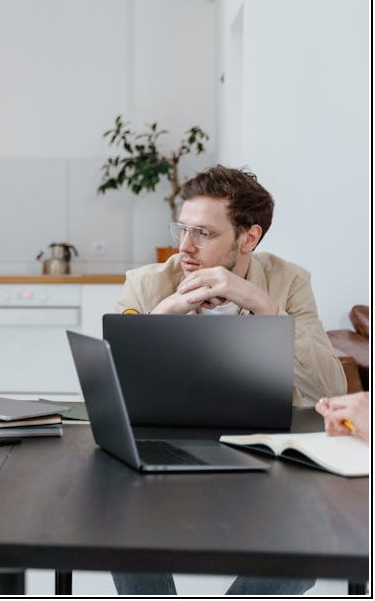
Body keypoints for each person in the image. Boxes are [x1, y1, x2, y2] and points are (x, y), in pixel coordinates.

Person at [112, 165, 347, 596]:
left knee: (303, 550)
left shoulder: (288, 282)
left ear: (249, 239)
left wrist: (263, 307)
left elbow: (327, 390)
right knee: (122, 533)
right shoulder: (147, 284)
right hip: (164, 449)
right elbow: (116, 394)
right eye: (183, 229)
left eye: (203, 233)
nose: (184, 246)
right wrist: (160, 318)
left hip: (262, 452)